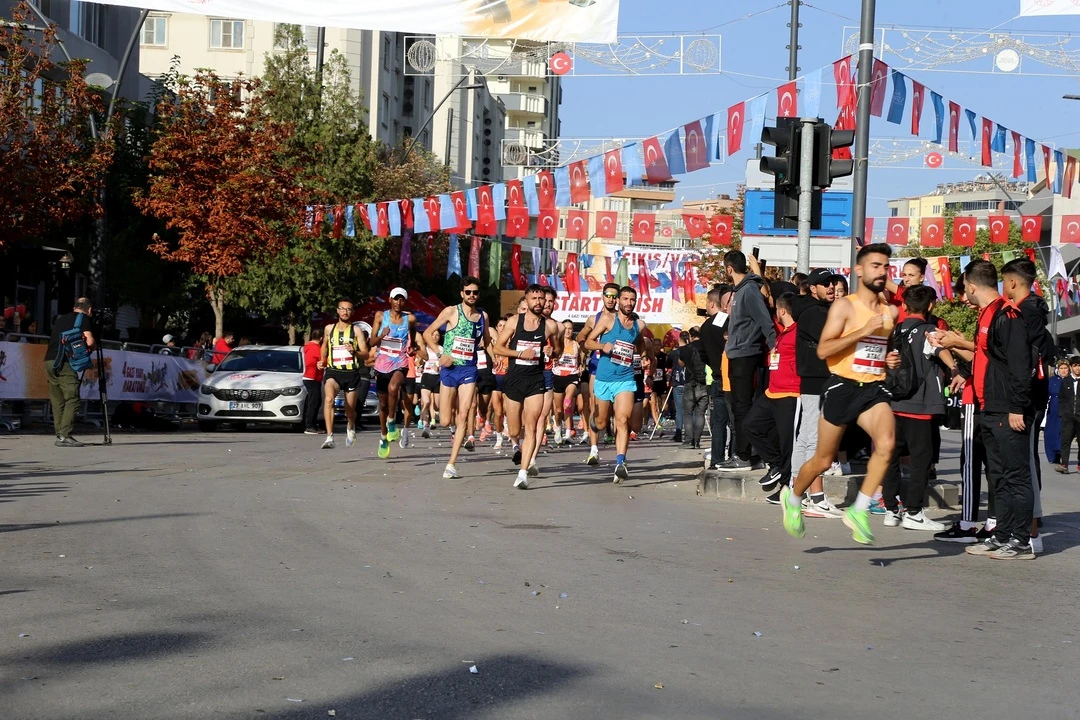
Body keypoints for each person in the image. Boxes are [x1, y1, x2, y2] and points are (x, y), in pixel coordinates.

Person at [781, 244, 900, 546]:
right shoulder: (845, 307)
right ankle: (793, 499)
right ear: (859, 270)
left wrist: (888, 359)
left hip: (873, 387)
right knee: (822, 460)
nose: (881, 272)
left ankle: (859, 510)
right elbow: (824, 349)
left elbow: (877, 348)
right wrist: (862, 331)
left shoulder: (889, 311)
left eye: (885, 266)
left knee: (887, 443)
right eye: (875, 265)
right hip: (842, 386)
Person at [946, 260, 1036, 560]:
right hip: (989, 407)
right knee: (997, 476)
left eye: (964, 289)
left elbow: (1021, 366)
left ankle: (1021, 541)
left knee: (1015, 476)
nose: (963, 296)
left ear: (971, 286)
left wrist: (1016, 407)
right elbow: (986, 360)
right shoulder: (986, 314)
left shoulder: (1006, 315)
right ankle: (1001, 535)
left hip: (1006, 408)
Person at [880, 285, 948, 532]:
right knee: (921, 460)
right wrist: (955, 368)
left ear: (905, 306)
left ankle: (890, 509)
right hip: (920, 405)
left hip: (894, 402)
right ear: (930, 306)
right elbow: (942, 353)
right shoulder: (931, 331)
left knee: (891, 456)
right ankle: (914, 512)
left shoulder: (895, 329)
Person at [1000, 258, 1051, 553]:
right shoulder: (1031, 311)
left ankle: (1031, 534)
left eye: (1003, 281)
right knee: (1019, 466)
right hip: (1025, 397)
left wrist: (1019, 403)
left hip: (1026, 400)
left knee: (1025, 467)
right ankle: (1021, 529)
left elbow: (1025, 362)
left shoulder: (1027, 314)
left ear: (1013, 283)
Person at [493, 284, 562, 489]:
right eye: (534, 299)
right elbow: (498, 347)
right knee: (515, 429)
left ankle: (523, 473)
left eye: (541, 299)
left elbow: (557, 349)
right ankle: (518, 446)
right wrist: (520, 354)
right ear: (527, 300)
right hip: (514, 379)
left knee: (531, 424)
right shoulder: (515, 321)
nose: (539, 302)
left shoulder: (550, 326)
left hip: (536, 379)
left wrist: (552, 351)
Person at [787, 269, 843, 517]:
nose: (830, 287)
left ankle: (796, 489)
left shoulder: (815, 310)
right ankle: (814, 497)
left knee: (806, 437)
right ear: (812, 288)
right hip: (817, 380)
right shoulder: (814, 312)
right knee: (813, 439)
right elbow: (833, 339)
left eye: (832, 282)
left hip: (817, 379)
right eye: (824, 284)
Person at [424, 277, 491, 479]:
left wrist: (493, 355)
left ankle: (451, 464)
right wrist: (439, 352)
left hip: (469, 370)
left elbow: (487, 341)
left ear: (479, 295)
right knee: (445, 420)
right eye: (468, 292)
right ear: (462, 293)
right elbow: (428, 333)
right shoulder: (451, 312)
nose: (472, 295)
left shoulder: (483, 317)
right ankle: (455, 430)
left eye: (475, 292)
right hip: (450, 370)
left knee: (464, 413)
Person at [585, 285, 652, 483]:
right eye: (625, 299)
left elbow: (639, 342)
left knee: (623, 420)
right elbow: (587, 342)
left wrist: (644, 354)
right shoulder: (607, 320)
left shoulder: (639, 324)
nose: (629, 303)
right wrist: (601, 345)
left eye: (632, 300)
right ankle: (594, 422)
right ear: (619, 301)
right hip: (604, 378)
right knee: (601, 422)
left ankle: (620, 462)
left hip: (625, 379)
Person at [716, 251, 775, 471]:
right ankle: (744, 454)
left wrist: (775, 348)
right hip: (737, 353)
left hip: (745, 354)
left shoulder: (749, 290)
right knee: (740, 407)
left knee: (743, 407)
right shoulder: (739, 291)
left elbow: (764, 321)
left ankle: (744, 456)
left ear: (729, 269)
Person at [743, 293, 799, 501]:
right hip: (772, 392)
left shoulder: (798, 333)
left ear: (782, 310)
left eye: (777, 310)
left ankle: (786, 488)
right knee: (750, 425)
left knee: (787, 443)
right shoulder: (782, 331)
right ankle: (775, 464)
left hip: (791, 393)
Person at [576, 283, 620, 466]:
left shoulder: (623, 318)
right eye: (607, 295)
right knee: (596, 406)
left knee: (618, 411)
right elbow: (582, 338)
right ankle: (594, 449)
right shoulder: (594, 319)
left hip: (619, 369)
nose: (611, 299)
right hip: (597, 367)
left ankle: (620, 454)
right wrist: (587, 347)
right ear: (602, 297)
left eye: (614, 296)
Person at [371, 287, 417, 458]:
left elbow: (412, 332)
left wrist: (411, 346)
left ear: (405, 301)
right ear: (390, 299)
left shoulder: (409, 318)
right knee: (382, 404)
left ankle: (392, 421)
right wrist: (382, 335)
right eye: (395, 299)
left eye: (401, 299)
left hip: (400, 361)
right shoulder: (380, 316)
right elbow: (371, 342)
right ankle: (383, 437)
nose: (398, 302)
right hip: (382, 362)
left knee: (393, 388)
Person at [44, 297, 96, 447]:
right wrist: (88, 351)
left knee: (57, 400)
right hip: (65, 362)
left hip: (49, 360)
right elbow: (90, 341)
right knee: (72, 398)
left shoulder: (61, 319)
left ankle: (60, 436)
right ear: (89, 309)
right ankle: (65, 435)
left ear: (74, 307)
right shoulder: (83, 318)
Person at [317, 299, 369, 450]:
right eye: (343, 309)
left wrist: (355, 351)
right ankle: (329, 437)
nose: (345, 312)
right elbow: (324, 346)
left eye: (349, 309)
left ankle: (350, 425)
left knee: (349, 409)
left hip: (351, 373)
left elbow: (366, 354)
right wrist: (322, 360)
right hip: (333, 371)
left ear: (352, 312)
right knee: (328, 399)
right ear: (337, 310)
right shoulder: (329, 329)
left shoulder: (356, 331)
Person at [699, 286, 732, 468]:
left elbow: (701, 353)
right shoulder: (731, 322)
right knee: (734, 421)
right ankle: (735, 455)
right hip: (733, 377)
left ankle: (717, 459)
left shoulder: (706, 326)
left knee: (718, 422)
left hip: (716, 377)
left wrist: (713, 365)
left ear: (712, 303)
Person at [678, 326, 709, 449]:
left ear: (690, 336)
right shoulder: (706, 347)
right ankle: (697, 441)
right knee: (700, 413)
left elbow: (681, 363)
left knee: (687, 413)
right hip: (704, 382)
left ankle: (688, 441)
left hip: (690, 383)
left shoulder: (685, 349)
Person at [552, 319, 581, 445]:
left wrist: (581, 368)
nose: (568, 331)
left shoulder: (576, 345)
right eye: (565, 328)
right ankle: (558, 428)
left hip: (572, 375)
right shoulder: (556, 344)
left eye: (570, 328)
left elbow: (580, 360)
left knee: (567, 402)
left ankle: (568, 431)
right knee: (558, 410)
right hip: (558, 376)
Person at [1056, 357, 1080, 474]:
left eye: (1079, 365)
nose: (1077, 368)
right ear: (1071, 367)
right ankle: (1064, 463)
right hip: (1068, 416)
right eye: (1075, 365)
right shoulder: (1065, 381)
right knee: (1066, 440)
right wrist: (1063, 413)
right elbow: (1061, 399)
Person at [418, 328, 442, 439]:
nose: (435, 337)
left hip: (437, 378)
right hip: (427, 377)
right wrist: (419, 367)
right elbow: (419, 361)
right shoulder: (425, 349)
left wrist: (439, 367)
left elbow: (446, 363)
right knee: (426, 402)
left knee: (436, 406)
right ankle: (425, 428)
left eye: (437, 335)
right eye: (433, 335)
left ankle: (436, 416)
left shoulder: (441, 349)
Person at [1046, 359, 1069, 466]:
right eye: (1061, 368)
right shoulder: (1052, 380)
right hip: (1053, 410)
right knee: (1051, 432)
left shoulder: (1071, 380)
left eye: (1065, 368)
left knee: (1063, 433)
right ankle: (1052, 455)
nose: (1063, 371)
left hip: (1067, 410)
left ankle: (1061, 453)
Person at [302, 328, 325, 434]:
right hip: (312, 377)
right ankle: (310, 426)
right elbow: (311, 361)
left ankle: (313, 424)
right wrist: (320, 363)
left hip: (313, 377)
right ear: (321, 338)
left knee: (316, 401)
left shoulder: (309, 347)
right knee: (313, 402)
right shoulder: (315, 348)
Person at [669, 330, 688, 444]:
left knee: (679, 410)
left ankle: (678, 434)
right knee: (690, 410)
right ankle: (691, 435)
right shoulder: (691, 351)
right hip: (688, 382)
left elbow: (668, 363)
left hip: (677, 383)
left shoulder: (674, 353)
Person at [649, 338, 669, 433]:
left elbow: (669, 367)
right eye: (654, 345)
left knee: (665, 405)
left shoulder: (665, 356)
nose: (656, 347)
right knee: (653, 404)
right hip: (652, 383)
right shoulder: (650, 357)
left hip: (662, 382)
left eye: (658, 345)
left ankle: (662, 416)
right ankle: (658, 424)